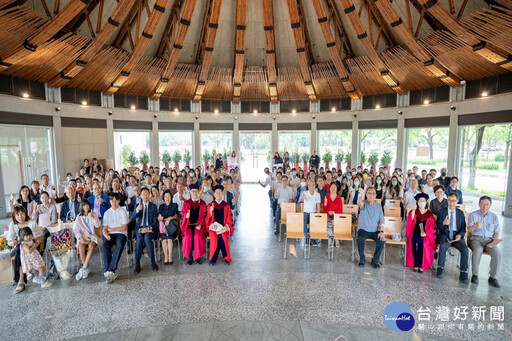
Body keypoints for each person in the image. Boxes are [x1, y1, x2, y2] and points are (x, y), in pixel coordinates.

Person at [6, 206, 43, 293]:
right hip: (22, 248)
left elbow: (40, 239)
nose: (20, 216)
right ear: (14, 216)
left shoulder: (32, 223)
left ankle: (21, 280)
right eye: (17, 214)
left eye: (22, 213)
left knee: (20, 249)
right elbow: (9, 242)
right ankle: (25, 275)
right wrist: (13, 243)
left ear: (25, 214)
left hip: (33, 246)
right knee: (20, 248)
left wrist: (32, 248)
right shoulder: (13, 225)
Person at [467, 196, 501, 288]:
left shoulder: (494, 216)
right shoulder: (473, 215)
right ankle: (475, 275)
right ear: (479, 204)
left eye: (487, 204)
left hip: (489, 240)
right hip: (476, 239)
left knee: (497, 253)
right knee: (478, 250)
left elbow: (497, 232)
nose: (485, 206)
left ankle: (493, 277)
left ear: (490, 206)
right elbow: (469, 230)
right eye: (483, 204)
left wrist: (494, 242)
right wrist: (475, 225)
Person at [436, 192, 469, 283]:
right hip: (445, 234)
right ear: (447, 200)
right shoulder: (442, 212)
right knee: (443, 246)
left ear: (457, 201)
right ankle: (440, 268)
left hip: (457, 235)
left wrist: (460, 235)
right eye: (450, 200)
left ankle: (463, 272)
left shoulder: (460, 213)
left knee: (465, 249)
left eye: (454, 201)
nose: (451, 203)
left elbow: (463, 227)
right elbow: (438, 227)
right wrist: (443, 223)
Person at [405, 193, 437, 273]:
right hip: (414, 233)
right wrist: (414, 209)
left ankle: (422, 265)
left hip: (426, 235)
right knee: (413, 243)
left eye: (423, 201)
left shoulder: (429, 214)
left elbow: (432, 227)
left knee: (424, 244)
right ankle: (415, 264)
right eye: (420, 201)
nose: (422, 202)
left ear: (426, 202)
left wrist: (426, 233)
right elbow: (410, 221)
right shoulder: (414, 212)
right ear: (417, 202)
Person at [101, 193, 128, 283]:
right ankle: (109, 271)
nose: (114, 202)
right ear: (110, 201)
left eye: (116, 201)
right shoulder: (107, 213)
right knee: (105, 245)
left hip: (121, 234)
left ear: (119, 201)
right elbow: (104, 229)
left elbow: (124, 227)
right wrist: (106, 235)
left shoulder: (122, 211)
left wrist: (112, 229)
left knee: (120, 244)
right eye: (112, 201)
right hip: (110, 234)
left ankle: (110, 270)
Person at [356, 187, 385, 268]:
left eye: (373, 193)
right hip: (363, 229)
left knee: (382, 240)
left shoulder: (378, 206)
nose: (371, 195)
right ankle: (362, 259)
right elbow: (360, 205)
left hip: (375, 230)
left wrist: (382, 231)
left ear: (376, 195)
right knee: (360, 239)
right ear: (366, 194)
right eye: (369, 193)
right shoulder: (363, 203)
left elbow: (382, 221)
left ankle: (375, 260)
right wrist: (360, 199)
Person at [205, 185, 234, 265]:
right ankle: (213, 259)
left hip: (223, 228)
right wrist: (210, 212)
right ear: (214, 194)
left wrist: (226, 227)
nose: (218, 194)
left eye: (220, 192)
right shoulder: (210, 205)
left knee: (222, 237)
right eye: (216, 192)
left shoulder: (226, 206)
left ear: (222, 194)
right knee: (214, 237)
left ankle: (226, 258)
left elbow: (229, 219)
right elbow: (207, 219)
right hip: (213, 228)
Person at [73, 201, 101, 281]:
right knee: (81, 247)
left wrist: (93, 218)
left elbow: (98, 225)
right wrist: (80, 237)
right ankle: (85, 268)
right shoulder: (78, 217)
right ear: (82, 207)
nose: (86, 207)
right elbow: (76, 230)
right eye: (84, 205)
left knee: (91, 245)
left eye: (87, 205)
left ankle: (84, 267)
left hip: (92, 236)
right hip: (84, 236)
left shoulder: (93, 214)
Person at [134, 187, 159, 273]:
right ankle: (137, 263)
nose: (145, 196)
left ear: (149, 195)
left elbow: (155, 222)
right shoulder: (138, 206)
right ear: (140, 195)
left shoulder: (153, 206)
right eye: (143, 194)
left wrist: (148, 228)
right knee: (140, 238)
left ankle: (153, 262)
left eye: (147, 194)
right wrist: (137, 210)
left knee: (147, 237)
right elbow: (133, 218)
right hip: (140, 229)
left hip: (150, 229)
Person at [181, 184, 207, 265]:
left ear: (199, 192)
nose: (194, 193)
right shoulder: (186, 203)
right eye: (193, 191)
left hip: (198, 226)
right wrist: (186, 216)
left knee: (197, 237)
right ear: (190, 193)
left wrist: (201, 224)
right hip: (188, 226)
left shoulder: (202, 203)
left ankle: (198, 257)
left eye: (196, 191)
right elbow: (183, 215)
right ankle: (190, 257)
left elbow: (205, 216)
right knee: (188, 237)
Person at [158, 189, 179, 265]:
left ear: (171, 197)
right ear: (163, 197)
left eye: (169, 196)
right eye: (166, 196)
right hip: (163, 227)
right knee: (164, 240)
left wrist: (169, 219)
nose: (167, 198)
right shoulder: (161, 206)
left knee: (169, 240)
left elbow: (176, 216)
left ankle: (170, 257)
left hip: (172, 227)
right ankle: (166, 257)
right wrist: (161, 218)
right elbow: (160, 217)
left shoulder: (174, 205)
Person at [301, 179, 321, 245]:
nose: (311, 187)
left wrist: (317, 215)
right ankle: (306, 238)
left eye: (313, 185)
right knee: (304, 223)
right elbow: (300, 199)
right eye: (310, 185)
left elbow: (318, 207)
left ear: (315, 186)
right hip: (305, 213)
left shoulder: (317, 194)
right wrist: (302, 198)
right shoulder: (305, 193)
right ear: (308, 186)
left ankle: (313, 239)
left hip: (313, 213)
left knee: (314, 225)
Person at [323, 182, 343, 246]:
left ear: (337, 189)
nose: (333, 188)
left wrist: (334, 213)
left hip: (336, 216)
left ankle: (336, 238)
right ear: (329, 189)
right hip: (328, 216)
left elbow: (340, 209)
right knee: (329, 223)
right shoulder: (326, 197)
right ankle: (331, 239)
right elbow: (324, 208)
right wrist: (325, 204)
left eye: (335, 187)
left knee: (335, 223)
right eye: (332, 187)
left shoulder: (339, 198)